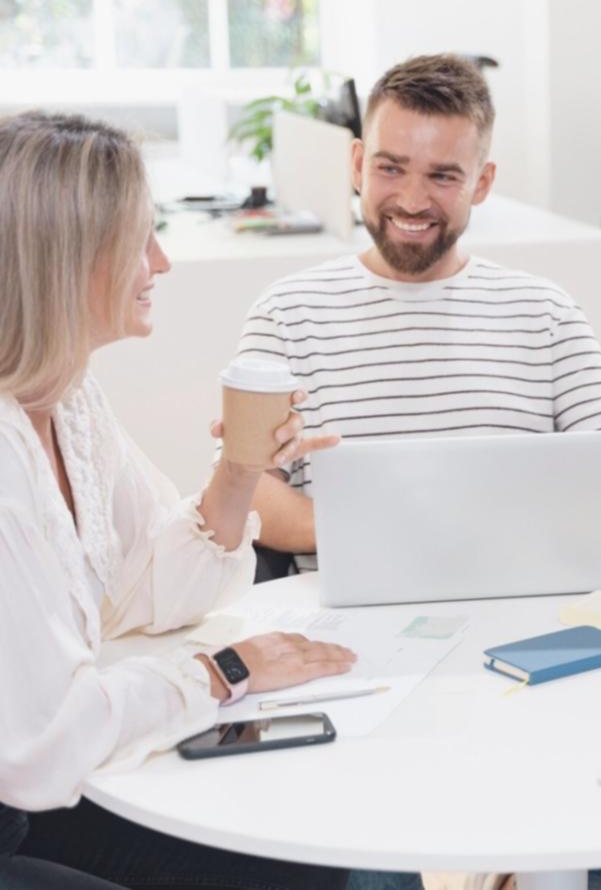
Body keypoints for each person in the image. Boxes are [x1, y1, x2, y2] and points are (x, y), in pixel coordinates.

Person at [0, 111, 356, 889]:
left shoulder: (67, 401)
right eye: (140, 240)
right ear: (67, 262)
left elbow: (152, 595)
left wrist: (240, 468)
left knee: (312, 858)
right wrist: (227, 670)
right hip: (24, 806)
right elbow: (43, 747)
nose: (160, 262)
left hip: (46, 789)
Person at [236, 54, 601, 567]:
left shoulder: (545, 314)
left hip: (520, 604)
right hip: (339, 623)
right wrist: (399, 532)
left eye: (443, 176)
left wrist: (478, 531)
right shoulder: (286, 315)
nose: (412, 201)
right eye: (390, 168)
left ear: (481, 183)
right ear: (356, 164)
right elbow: (246, 488)